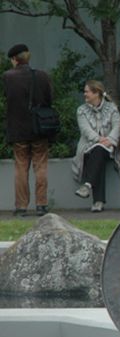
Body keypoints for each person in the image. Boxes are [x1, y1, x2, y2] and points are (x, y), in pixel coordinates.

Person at [3, 43, 53, 217]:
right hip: (39, 128)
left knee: (21, 168)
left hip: (18, 129)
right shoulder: (42, 75)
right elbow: (49, 99)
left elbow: (8, 99)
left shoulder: (8, 77)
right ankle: (41, 205)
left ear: (14, 59)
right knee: (41, 166)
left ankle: (21, 207)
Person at [71, 80, 120, 212]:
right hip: (88, 147)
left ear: (96, 93)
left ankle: (88, 186)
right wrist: (99, 139)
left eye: (87, 91)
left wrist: (110, 140)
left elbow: (117, 126)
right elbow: (85, 130)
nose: (84, 94)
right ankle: (98, 201)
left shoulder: (112, 108)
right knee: (98, 154)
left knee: (99, 151)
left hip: (109, 146)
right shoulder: (81, 110)